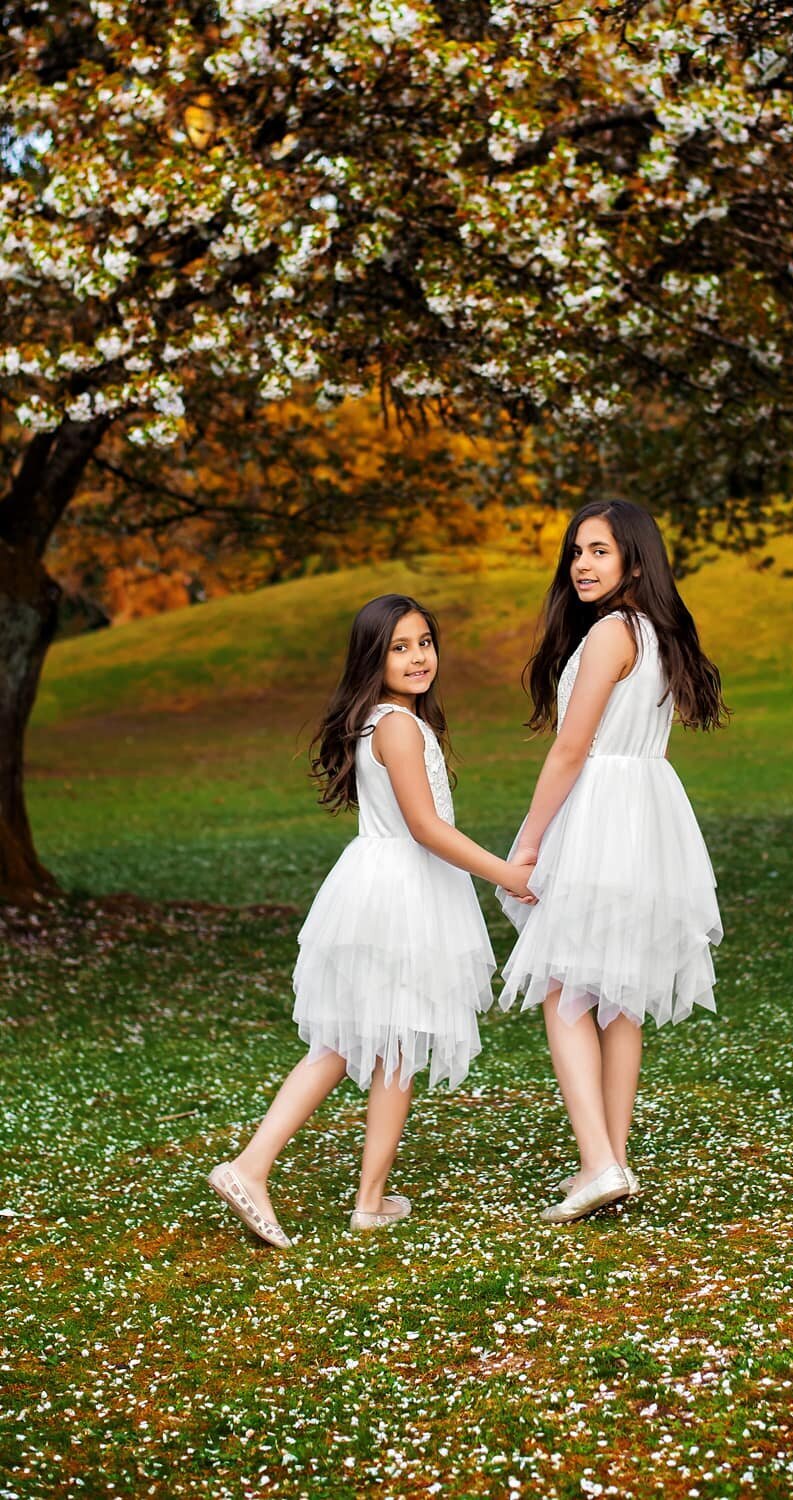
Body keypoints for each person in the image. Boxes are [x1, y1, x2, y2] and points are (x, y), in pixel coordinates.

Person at [209, 593, 533, 1244]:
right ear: (371, 657)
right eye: (399, 647)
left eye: (424, 642)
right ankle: (249, 1166)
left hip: (390, 886)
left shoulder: (384, 720)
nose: (418, 658)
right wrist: (507, 875)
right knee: (342, 1042)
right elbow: (425, 827)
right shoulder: (397, 726)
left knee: (394, 1046)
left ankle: (371, 1199)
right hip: (398, 895)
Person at [497, 499, 727, 1223]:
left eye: (599, 551)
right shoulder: (658, 634)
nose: (583, 565)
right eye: (576, 553)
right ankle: (612, 1162)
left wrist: (531, 838)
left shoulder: (609, 636)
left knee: (565, 989)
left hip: (601, 809)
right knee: (618, 995)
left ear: (634, 558)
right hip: (647, 811)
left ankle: (598, 1161)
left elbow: (571, 750)